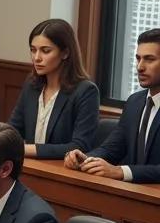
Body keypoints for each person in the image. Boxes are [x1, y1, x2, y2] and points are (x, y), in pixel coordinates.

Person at [64, 28, 160, 182]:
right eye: (138, 58)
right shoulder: (134, 102)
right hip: (133, 195)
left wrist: (120, 171)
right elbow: (112, 148)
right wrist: (86, 159)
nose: (140, 67)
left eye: (149, 59)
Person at [8, 18, 99, 160]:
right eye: (33, 50)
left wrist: (25, 149)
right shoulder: (32, 85)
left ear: (65, 53)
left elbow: (80, 146)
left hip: (61, 170)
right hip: (30, 165)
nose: (36, 58)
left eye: (45, 51)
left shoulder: (86, 91)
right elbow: (13, 129)